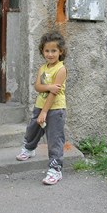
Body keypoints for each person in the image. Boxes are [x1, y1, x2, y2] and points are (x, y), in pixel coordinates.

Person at [16, 31, 68, 185]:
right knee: (33, 129)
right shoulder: (42, 68)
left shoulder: (61, 69)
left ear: (61, 51)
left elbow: (54, 94)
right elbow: (38, 87)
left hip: (55, 109)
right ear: (42, 51)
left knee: (54, 139)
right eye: (47, 51)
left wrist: (44, 112)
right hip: (40, 106)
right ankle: (29, 148)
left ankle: (55, 170)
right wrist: (49, 87)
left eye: (54, 51)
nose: (50, 54)